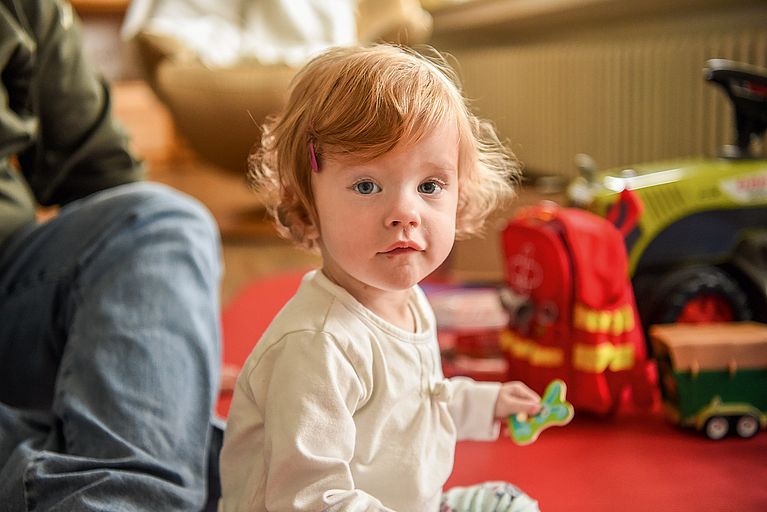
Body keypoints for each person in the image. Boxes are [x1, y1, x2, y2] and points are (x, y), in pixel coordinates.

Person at [219, 44, 542, 512]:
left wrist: (484, 404)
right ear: (307, 207)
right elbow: (307, 498)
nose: (405, 213)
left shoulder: (407, 300)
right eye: (367, 186)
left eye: (429, 186)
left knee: (514, 505)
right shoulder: (318, 346)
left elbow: (411, 406)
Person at [0, 1, 223, 510]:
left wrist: (156, 321)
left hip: (14, 294)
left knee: (162, 223)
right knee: (193, 446)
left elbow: (98, 170)